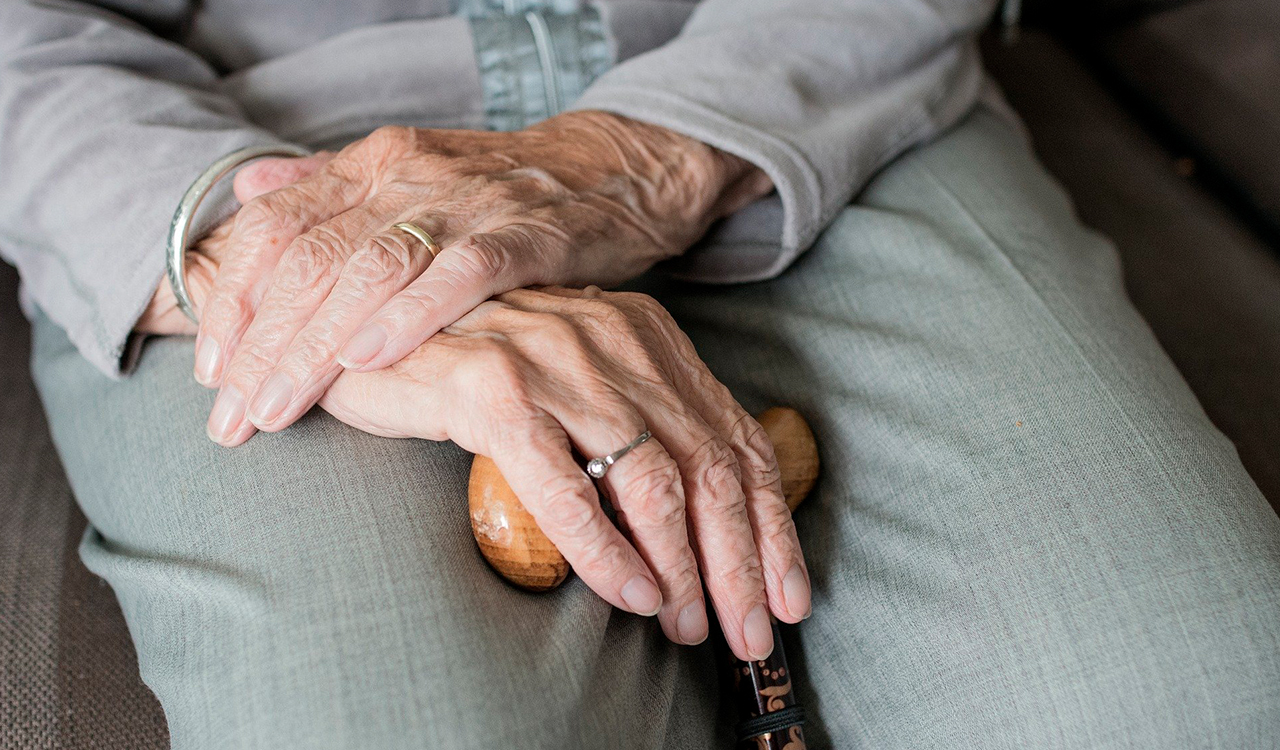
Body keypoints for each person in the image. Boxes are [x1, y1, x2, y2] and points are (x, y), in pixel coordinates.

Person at [3, 0, 1278, 747]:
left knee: (1185, 695)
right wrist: (285, 258)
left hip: (804, 82)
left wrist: (637, 156)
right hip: (233, 156)